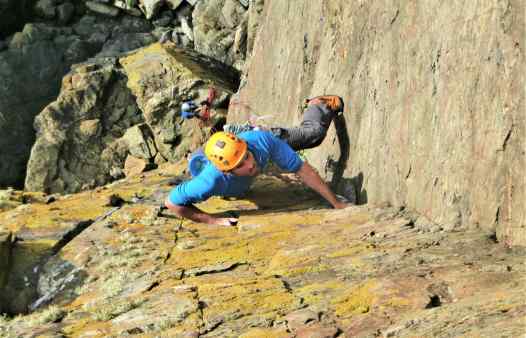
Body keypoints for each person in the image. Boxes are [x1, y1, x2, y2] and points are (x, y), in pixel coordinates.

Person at [165, 95, 350, 226]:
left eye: (246, 156)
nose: (250, 164)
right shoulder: (210, 181)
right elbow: (172, 203)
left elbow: (304, 170)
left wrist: (336, 203)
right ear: (226, 172)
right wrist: (212, 220)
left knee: (313, 135)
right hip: (212, 160)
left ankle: (317, 104)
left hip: (248, 139)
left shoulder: (261, 141)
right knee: (239, 186)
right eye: (240, 165)